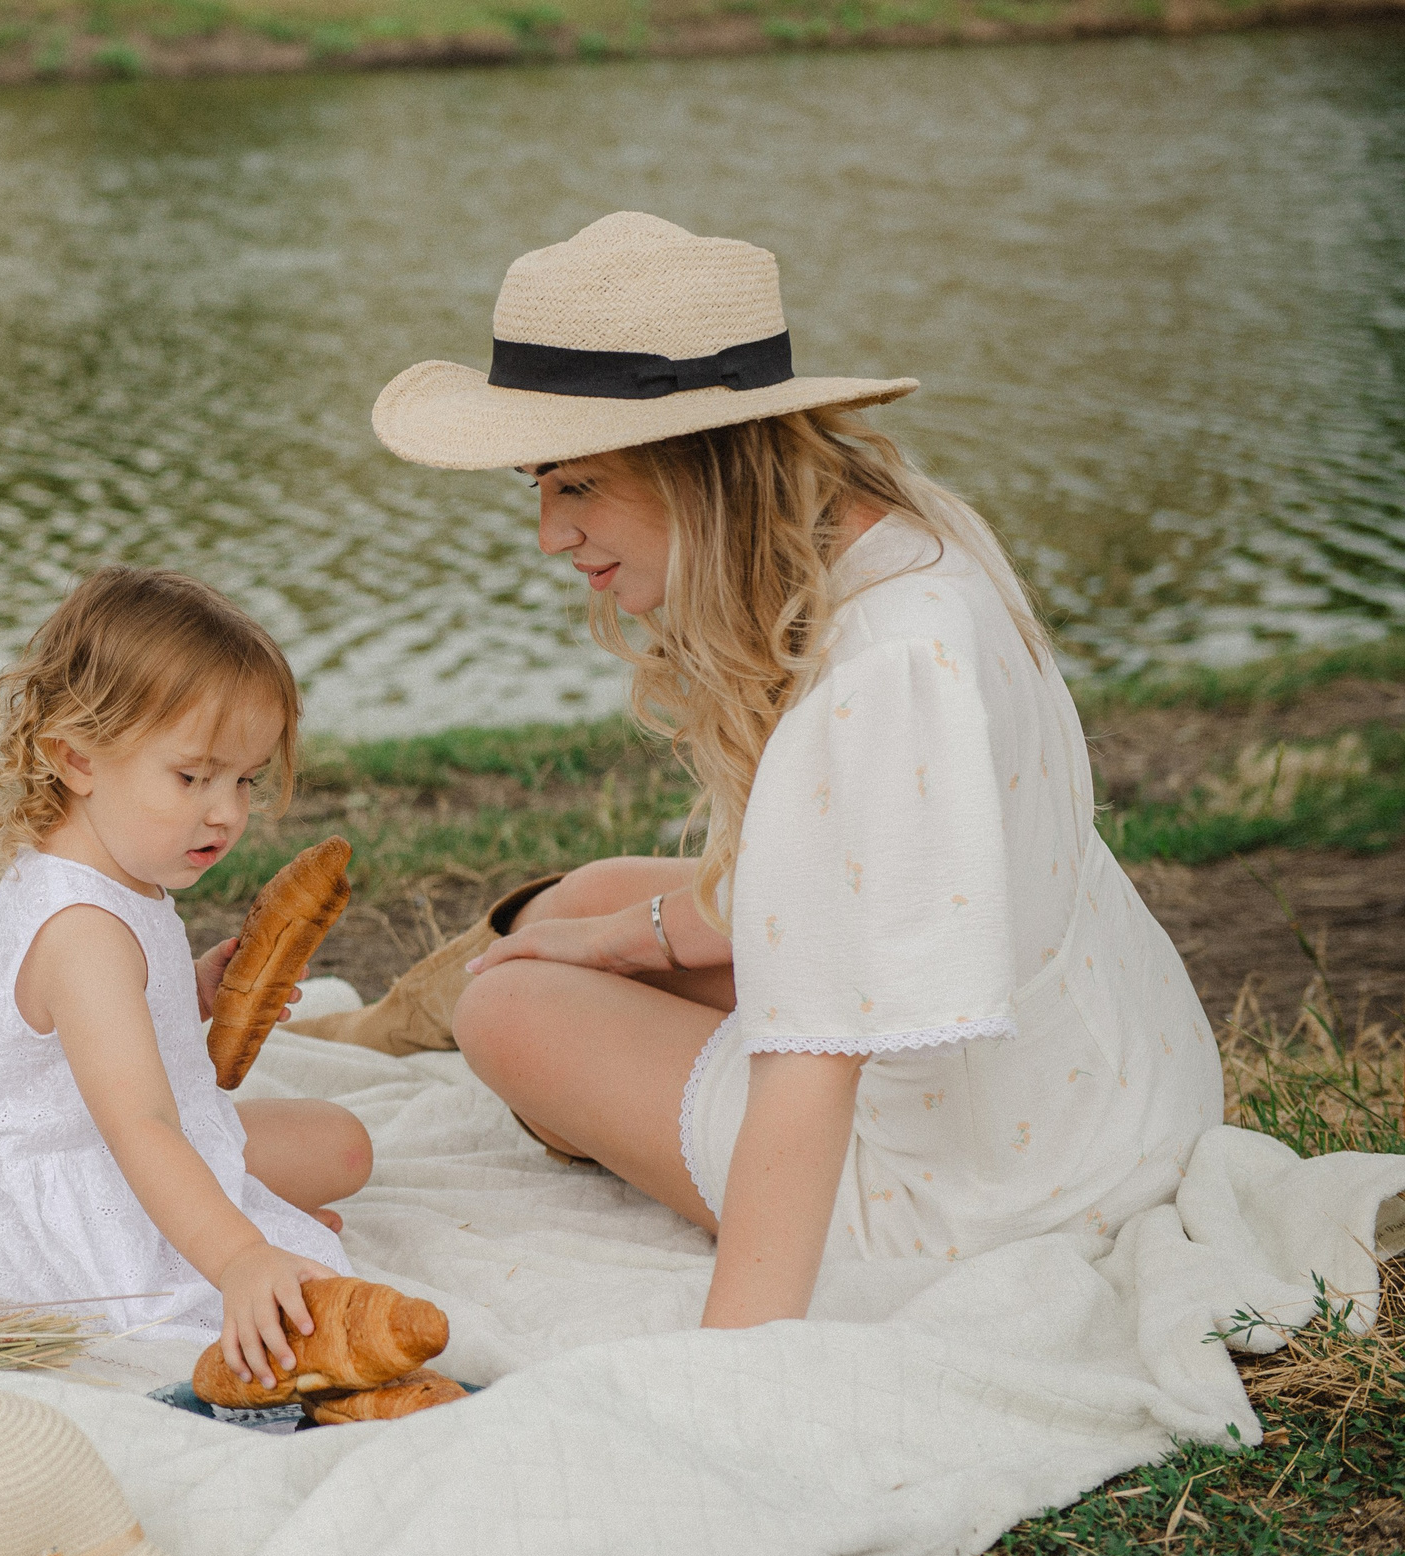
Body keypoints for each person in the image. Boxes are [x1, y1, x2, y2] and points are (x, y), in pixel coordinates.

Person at [311, 211, 1223, 1328]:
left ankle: (492, 1048)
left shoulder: (879, 672)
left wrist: (738, 1370)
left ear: (696, 469)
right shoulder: (900, 532)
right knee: (588, 900)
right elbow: (839, 881)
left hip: (1001, 1186)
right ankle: (403, 1022)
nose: (550, 534)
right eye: (536, 487)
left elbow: (813, 1060)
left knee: (507, 1009)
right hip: (1108, 1082)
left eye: (576, 485)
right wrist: (607, 936)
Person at [0, 567, 373, 1384]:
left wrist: (189, 987)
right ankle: (214, 1252)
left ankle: (240, 1229)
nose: (225, 811)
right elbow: (141, 1127)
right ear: (77, 757)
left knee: (343, 1144)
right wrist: (240, 1257)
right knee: (256, 1240)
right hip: (54, 1202)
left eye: (244, 780)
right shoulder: (83, 931)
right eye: (193, 776)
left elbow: (100, 1029)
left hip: (101, 1140)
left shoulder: (113, 869)